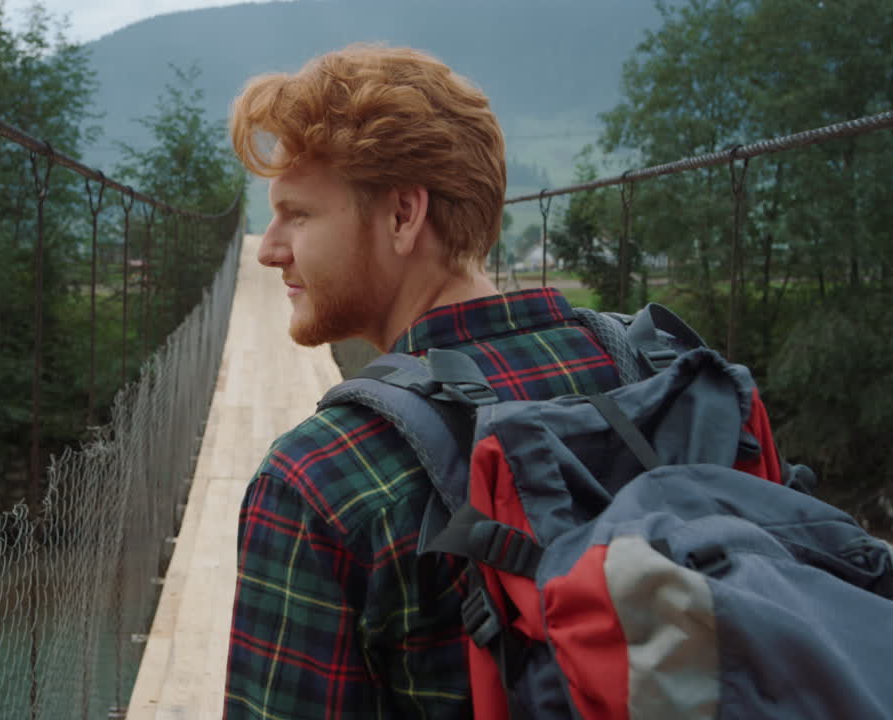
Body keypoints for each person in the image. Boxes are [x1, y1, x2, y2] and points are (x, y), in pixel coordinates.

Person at [223, 44, 622, 718]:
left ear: (403, 216)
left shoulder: (319, 483)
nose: (268, 249)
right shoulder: (658, 372)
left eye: (298, 213)